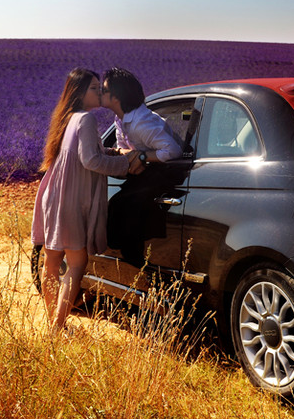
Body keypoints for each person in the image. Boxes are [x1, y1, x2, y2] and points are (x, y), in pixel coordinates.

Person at [31, 68, 138, 332]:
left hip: (52, 196)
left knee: (52, 263)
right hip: (71, 200)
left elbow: (86, 153)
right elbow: (90, 160)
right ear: (79, 92)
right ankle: (57, 328)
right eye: (94, 88)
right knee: (77, 264)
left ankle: (53, 323)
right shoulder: (87, 120)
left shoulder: (66, 119)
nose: (99, 93)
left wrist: (113, 151)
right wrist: (127, 163)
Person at [101, 67, 183, 266]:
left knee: (123, 207)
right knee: (120, 207)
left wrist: (144, 156)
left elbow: (173, 151)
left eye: (104, 91)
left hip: (164, 173)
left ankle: (137, 265)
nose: (100, 94)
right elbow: (123, 148)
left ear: (116, 98)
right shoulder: (121, 119)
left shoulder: (141, 123)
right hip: (143, 173)